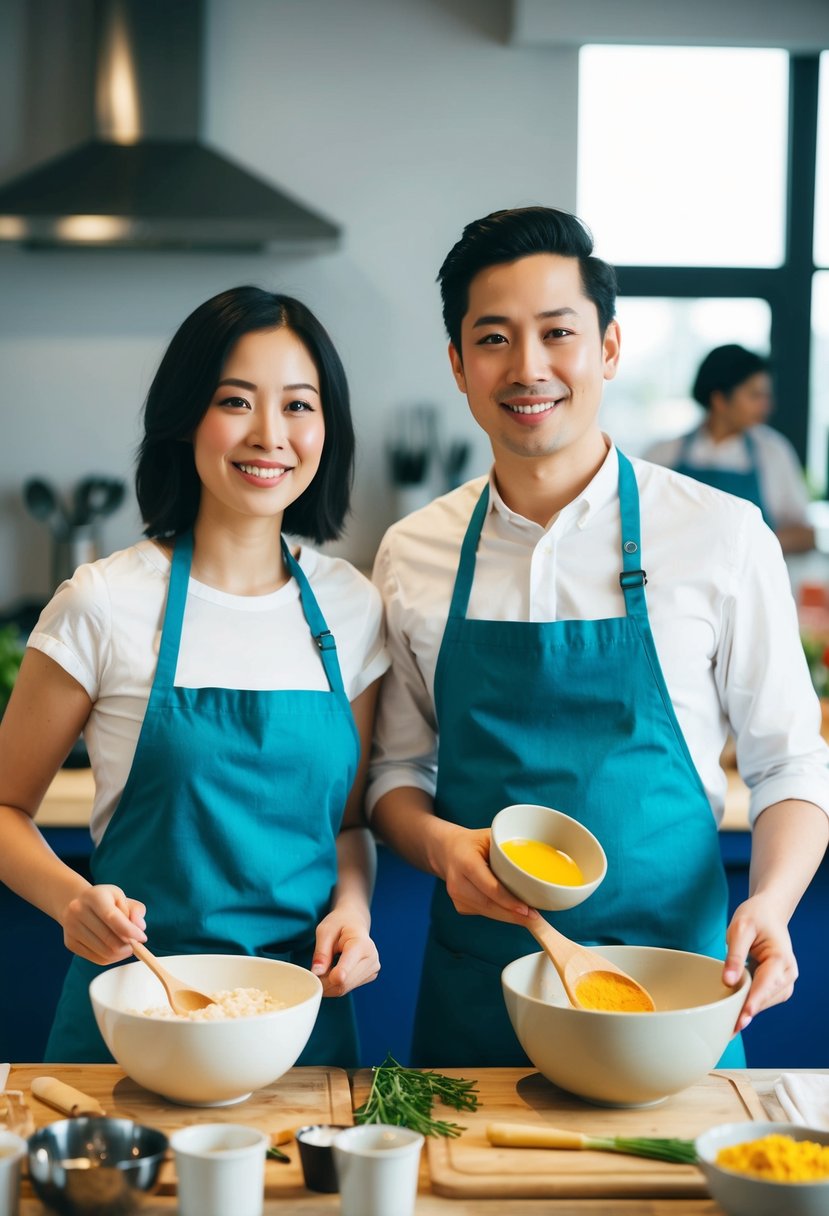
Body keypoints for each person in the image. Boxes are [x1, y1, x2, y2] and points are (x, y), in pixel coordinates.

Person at [367, 206, 829, 1068]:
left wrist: (770, 900)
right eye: (494, 339)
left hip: (677, 999)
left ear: (608, 348)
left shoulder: (721, 536)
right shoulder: (412, 553)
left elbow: (790, 763)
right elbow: (396, 772)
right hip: (481, 1001)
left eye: (557, 333)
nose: (528, 367)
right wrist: (437, 846)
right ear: (459, 365)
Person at [0, 286, 388, 1066]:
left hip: (297, 1028)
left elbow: (347, 825)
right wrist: (71, 899)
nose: (270, 435)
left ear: (327, 428)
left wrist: (354, 908)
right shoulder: (102, 602)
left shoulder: (351, 606)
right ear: (185, 419)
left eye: (299, 406)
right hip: (133, 1014)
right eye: (235, 401)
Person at [644, 344, 815, 554]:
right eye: (755, 396)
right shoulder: (664, 454)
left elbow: (806, 535)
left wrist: (742, 545)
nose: (766, 406)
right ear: (720, 400)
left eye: (766, 396)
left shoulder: (773, 452)